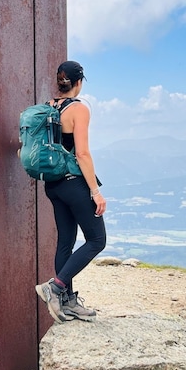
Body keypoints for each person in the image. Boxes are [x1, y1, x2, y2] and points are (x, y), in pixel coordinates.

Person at [35, 60, 107, 322]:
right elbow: (82, 153)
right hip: (73, 182)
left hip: (52, 185)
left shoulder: (47, 107)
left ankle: (66, 302)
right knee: (97, 240)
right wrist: (95, 192)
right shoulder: (79, 109)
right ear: (78, 83)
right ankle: (55, 287)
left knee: (66, 240)